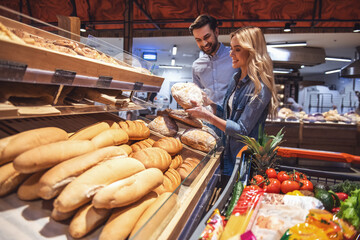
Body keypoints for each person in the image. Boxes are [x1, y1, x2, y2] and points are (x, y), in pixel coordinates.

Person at [186, 26, 279, 177]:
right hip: (227, 151)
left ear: (252, 51)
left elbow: (241, 129)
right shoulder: (235, 79)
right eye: (231, 48)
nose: (230, 54)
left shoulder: (260, 89)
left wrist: (207, 116)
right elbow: (228, 118)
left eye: (237, 49)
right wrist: (211, 105)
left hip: (242, 160)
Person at [189, 14, 237, 105]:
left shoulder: (235, 56)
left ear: (216, 32)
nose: (204, 43)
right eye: (198, 40)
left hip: (233, 117)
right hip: (208, 117)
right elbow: (197, 96)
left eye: (207, 37)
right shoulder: (196, 66)